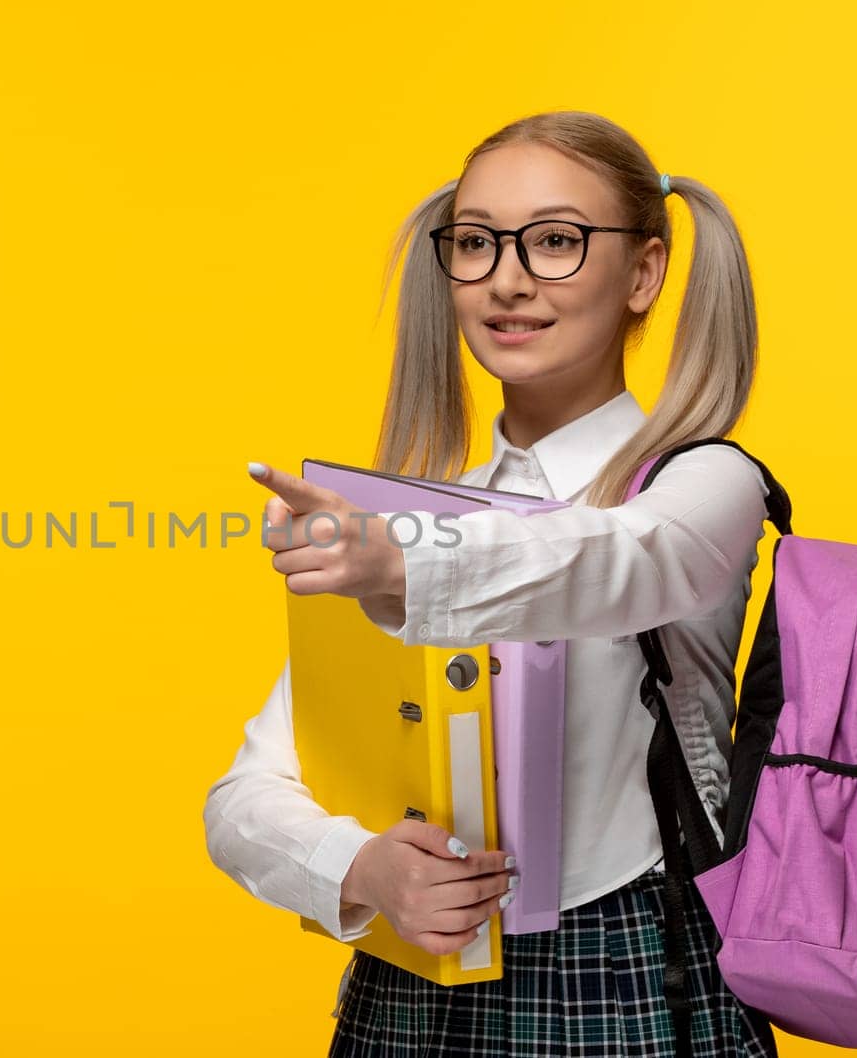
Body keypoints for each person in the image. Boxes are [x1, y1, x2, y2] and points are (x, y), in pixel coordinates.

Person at [202, 110, 781, 1057]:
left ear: (644, 273)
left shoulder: (701, 484)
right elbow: (245, 795)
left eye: (556, 241)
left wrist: (403, 568)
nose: (507, 280)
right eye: (475, 243)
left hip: (631, 978)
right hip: (406, 993)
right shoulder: (398, 521)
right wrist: (358, 869)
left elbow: (617, 564)